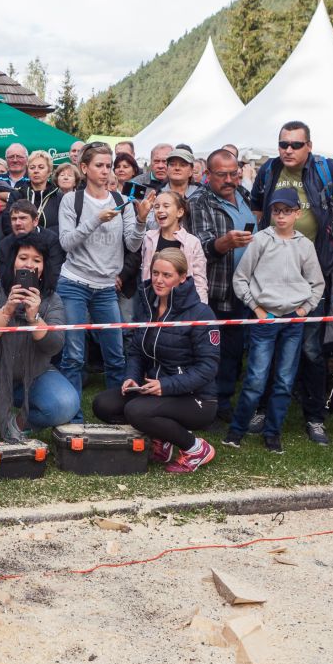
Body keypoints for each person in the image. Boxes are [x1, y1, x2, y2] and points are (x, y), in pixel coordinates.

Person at [248, 121, 333, 441]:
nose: (288, 150)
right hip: (271, 275)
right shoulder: (269, 170)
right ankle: (261, 410)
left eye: (295, 145)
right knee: (267, 345)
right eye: (283, 143)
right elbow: (258, 208)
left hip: (312, 277)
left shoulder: (328, 170)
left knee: (312, 350)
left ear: (309, 146)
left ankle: (315, 417)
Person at [92, 248, 218, 471]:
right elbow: (136, 351)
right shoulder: (147, 306)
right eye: (155, 273)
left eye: (167, 275)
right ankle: (162, 438)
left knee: (136, 411)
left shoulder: (201, 313)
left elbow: (207, 368)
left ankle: (196, 448)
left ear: (182, 278)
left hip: (196, 398)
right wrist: (132, 377)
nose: (159, 280)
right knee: (103, 405)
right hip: (152, 388)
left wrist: (165, 385)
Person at [229, 188, 325, 452]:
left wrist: (304, 310)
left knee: (284, 379)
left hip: (293, 321)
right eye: (276, 211)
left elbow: (317, 283)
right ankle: (236, 430)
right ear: (271, 213)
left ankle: (273, 433)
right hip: (264, 318)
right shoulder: (260, 240)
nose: (281, 216)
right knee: (256, 378)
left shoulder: (305, 245)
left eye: (286, 211)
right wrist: (256, 307)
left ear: (297, 213)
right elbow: (241, 278)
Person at [0, 230, 80, 440]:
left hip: (33, 373)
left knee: (65, 404)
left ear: (43, 268)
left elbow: (54, 346)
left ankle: (18, 424)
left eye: (37, 260)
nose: (29, 265)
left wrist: (35, 318)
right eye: (23, 258)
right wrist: (7, 310)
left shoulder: (52, 300)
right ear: (12, 262)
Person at [56, 142, 146, 406]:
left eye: (109, 166)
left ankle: (117, 411)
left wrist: (140, 220)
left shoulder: (122, 201)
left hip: (107, 287)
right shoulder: (72, 199)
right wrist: (96, 220)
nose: (106, 171)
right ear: (84, 168)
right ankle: (72, 415)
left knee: (116, 355)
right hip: (74, 283)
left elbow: (132, 244)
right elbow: (66, 242)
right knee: (73, 355)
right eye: (99, 165)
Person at [193, 148, 258, 422]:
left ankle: (224, 401)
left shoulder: (244, 195)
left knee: (233, 351)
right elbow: (203, 246)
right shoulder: (199, 202)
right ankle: (208, 405)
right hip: (217, 290)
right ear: (208, 175)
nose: (230, 179)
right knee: (210, 352)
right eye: (222, 175)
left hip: (246, 290)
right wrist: (226, 242)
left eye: (234, 173)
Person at [141, 190, 207, 297]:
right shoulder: (148, 238)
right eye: (156, 207)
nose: (160, 210)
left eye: (166, 206)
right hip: (152, 300)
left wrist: (200, 308)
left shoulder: (192, 242)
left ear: (179, 212)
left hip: (182, 302)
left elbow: (200, 280)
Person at [148, 148, 201, 232]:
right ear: (167, 169)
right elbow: (151, 225)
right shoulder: (157, 194)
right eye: (172, 165)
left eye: (183, 165)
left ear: (191, 171)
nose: (177, 168)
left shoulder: (201, 193)